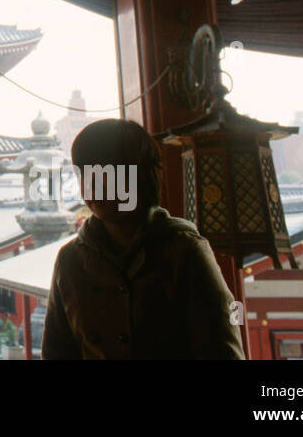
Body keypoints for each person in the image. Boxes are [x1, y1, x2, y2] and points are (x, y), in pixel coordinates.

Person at [42, 118, 247, 360]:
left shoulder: (184, 251)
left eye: (104, 173)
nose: (91, 186)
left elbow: (221, 351)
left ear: (136, 173)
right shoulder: (71, 260)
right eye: (83, 174)